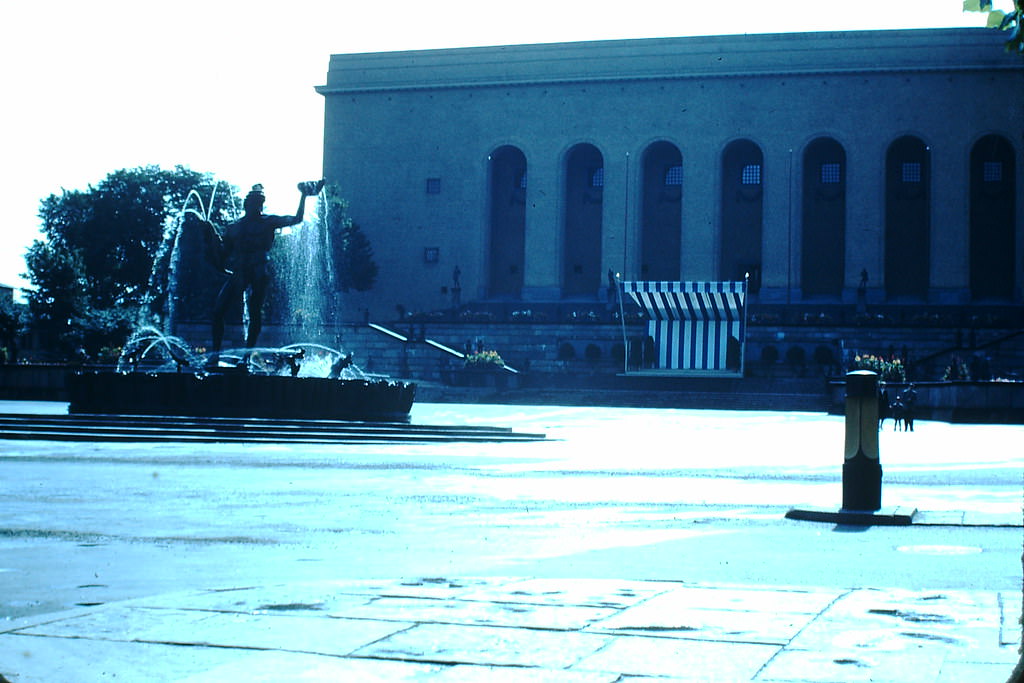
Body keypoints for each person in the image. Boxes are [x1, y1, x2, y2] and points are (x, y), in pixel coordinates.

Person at [210, 180, 324, 358]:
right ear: (246, 204)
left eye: (258, 203)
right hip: (240, 272)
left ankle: (246, 358)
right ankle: (214, 356)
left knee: (255, 311)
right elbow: (221, 257)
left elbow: (296, 219)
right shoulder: (234, 227)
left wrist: (303, 197)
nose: (255, 206)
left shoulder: (267, 222)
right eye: (252, 202)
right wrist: (213, 241)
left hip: (258, 271)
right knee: (218, 311)